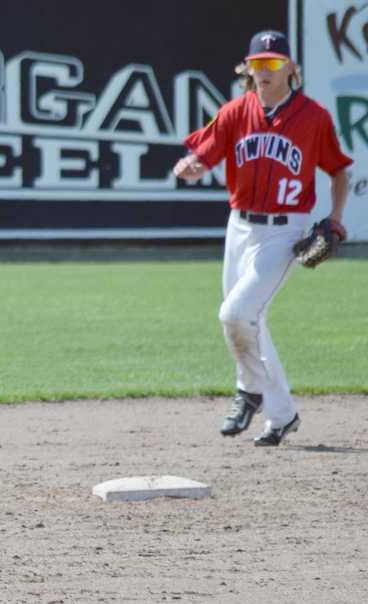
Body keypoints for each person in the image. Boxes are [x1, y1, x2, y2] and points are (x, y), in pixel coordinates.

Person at [173, 30, 352, 446]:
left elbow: (339, 170)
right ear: (247, 68)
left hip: (285, 231)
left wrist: (336, 217)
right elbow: (205, 156)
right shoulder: (235, 112)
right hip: (239, 226)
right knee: (254, 323)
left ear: (291, 68)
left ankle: (247, 391)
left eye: (272, 63)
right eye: (257, 64)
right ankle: (282, 415)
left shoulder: (314, 116)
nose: (264, 71)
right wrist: (192, 166)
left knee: (235, 315)